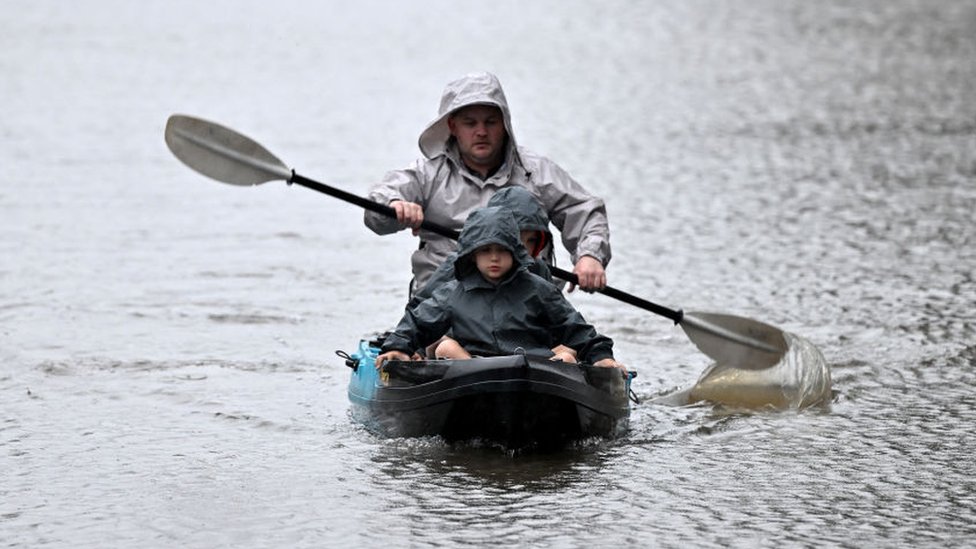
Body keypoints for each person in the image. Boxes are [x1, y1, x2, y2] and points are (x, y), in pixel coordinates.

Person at [364, 71, 611, 296]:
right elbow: (377, 210)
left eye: (490, 122)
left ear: (504, 125)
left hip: (525, 303)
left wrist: (590, 256)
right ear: (453, 126)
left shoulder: (536, 172)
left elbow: (585, 211)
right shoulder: (426, 174)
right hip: (443, 302)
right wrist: (395, 205)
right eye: (470, 123)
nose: (481, 132)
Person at [374, 206, 625, 371]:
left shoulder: (538, 289)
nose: (494, 258)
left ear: (515, 253)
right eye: (485, 250)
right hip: (474, 369)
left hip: (532, 371)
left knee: (567, 358)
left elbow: (576, 328)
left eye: (502, 250)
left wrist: (601, 356)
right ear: (472, 256)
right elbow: (418, 322)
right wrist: (398, 347)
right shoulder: (453, 292)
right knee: (446, 349)